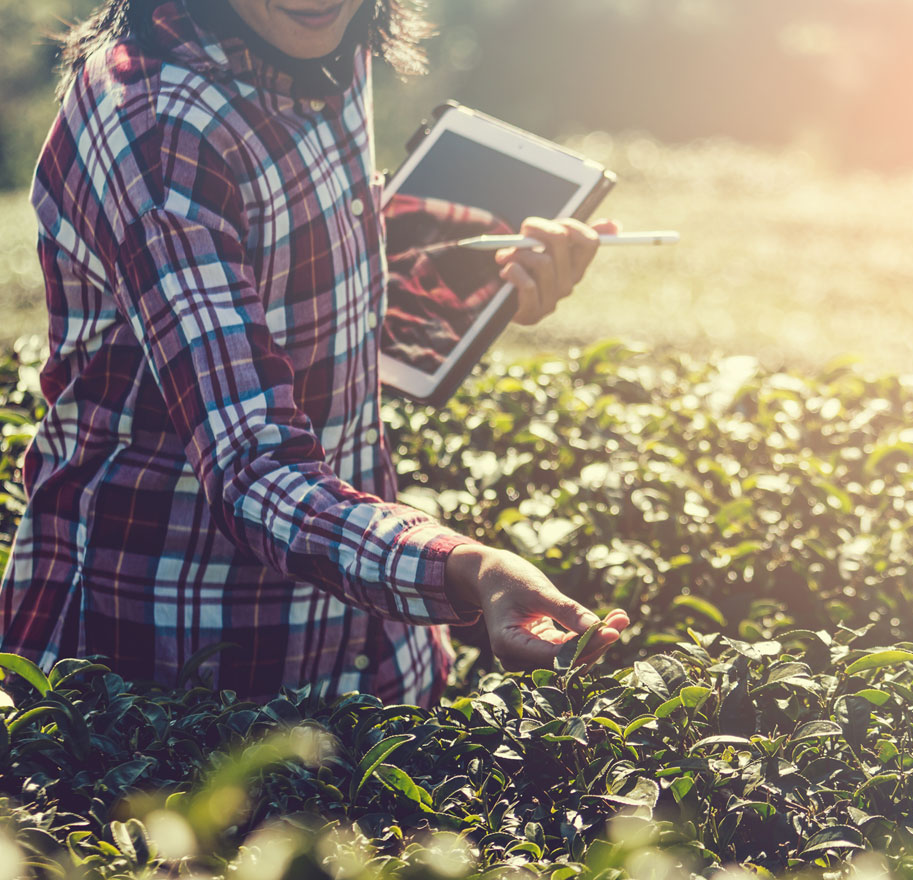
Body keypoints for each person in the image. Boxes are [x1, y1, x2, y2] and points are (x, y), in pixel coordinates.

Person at [0, 0, 629, 706]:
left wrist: (487, 285)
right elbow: (253, 467)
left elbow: (310, 300)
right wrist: (466, 567)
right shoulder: (161, 128)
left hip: (361, 650)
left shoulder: (320, 38)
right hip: (171, 681)